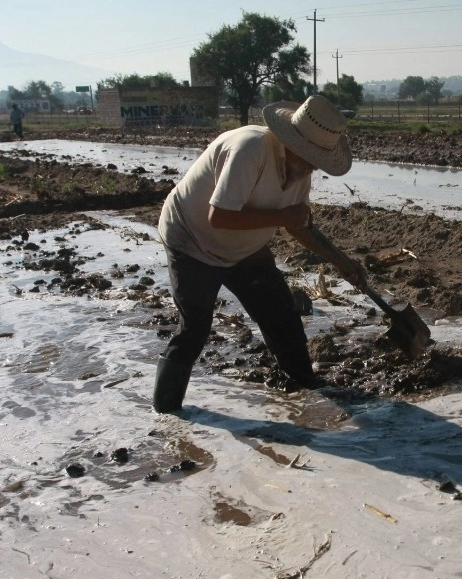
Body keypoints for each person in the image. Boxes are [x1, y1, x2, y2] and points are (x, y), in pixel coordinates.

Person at [154, 95, 365, 413]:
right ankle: (166, 413)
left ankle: (304, 385)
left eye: (318, 159)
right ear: (292, 141)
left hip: (244, 249)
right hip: (191, 240)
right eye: (311, 156)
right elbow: (220, 217)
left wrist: (343, 263)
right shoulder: (250, 149)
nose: (312, 165)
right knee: (195, 328)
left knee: (281, 316)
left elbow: (299, 225)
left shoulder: (299, 170)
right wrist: (283, 217)